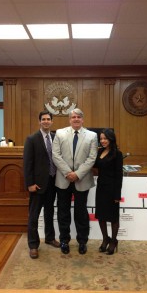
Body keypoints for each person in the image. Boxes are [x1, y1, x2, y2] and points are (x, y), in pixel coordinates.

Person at [52, 108, 98, 255]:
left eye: (78, 117)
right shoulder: (59, 133)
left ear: (82, 119)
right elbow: (55, 155)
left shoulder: (92, 136)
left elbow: (92, 158)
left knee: (81, 212)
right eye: (73, 117)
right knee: (63, 212)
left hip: (82, 179)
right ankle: (64, 240)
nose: (76, 119)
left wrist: (77, 174)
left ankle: (82, 241)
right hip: (63, 179)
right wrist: (68, 173)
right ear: (69, 119)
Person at [23, 110, 60, 259]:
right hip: (37, 185)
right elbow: (27, 164)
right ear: (39, 121)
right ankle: (33, 245)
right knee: (34, 215)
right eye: (43, 119)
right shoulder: (32, 139)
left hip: (53, 182)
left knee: (50, 212)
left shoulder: (55, 137)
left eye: (48, 119)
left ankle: (50, 238)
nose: (46, 121)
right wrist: (30, 183)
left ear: (52, 122)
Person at [94, 128, 123, 255]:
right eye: (101, 139)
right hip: (101, 188)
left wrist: (117, 194)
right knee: (101, 216)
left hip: (112, 189)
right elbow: (94, 165)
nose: (103, 141)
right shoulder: (99, 151)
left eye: (105, 138)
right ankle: (105, 238)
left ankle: (113, 241)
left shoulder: (117, 154)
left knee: (113, 217)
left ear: (111, 139)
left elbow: (119, 175)